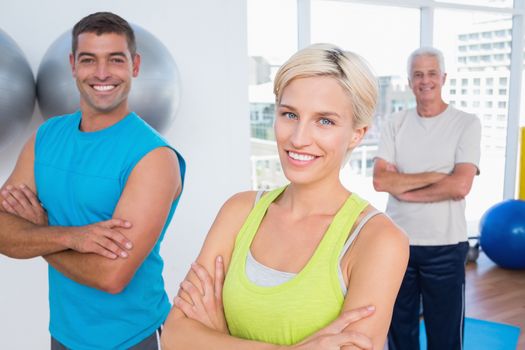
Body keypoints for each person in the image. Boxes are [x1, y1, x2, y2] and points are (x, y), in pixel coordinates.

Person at [160, 43, 408, 350]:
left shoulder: (377, 239)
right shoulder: (239, 211)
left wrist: (219, 336)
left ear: (357, 133)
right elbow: (173, 336)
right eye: (290, 114)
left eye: (325, 121)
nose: (299, 138)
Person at [0, 12, 185, 349]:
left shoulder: (154, 157)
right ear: (73, 65)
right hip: (64, 335)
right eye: (89, 60)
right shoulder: (46, 138)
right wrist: (72, 237)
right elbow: (2, 230)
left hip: (132, 337)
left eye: (115, 59)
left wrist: (39, 231)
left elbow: (110, 276)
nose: (102, 73)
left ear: (136, 65)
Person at [373, 47, 481, 350]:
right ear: (409, 81)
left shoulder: (466, 123)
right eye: (418, 74)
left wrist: (404, 189)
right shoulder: (395, 123)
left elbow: (460, 186)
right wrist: (436, 176)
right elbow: (381, 180)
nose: (425, 80)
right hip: (397, 243)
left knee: (445, 334)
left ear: (443, 77)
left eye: (432, 73)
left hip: (445, 246)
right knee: (399, 330)